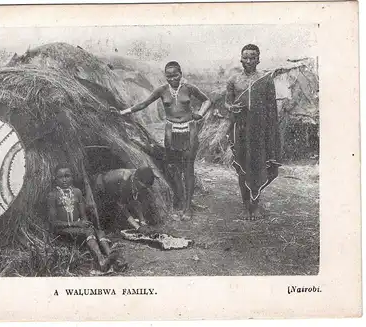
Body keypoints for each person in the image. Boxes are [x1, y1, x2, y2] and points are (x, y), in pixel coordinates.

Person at [120, 61, 212, 219]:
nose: (172, 79)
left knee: (188, 169)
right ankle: (181, 201)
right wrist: (123, 112)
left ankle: (188, 208)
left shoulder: (189, 88)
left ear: (181, 74)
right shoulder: (162, 90)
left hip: (189, 129)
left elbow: (207, 100)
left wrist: (200, 114)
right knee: (174, 168)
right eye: (168, 76)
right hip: (171, 131)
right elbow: (144, 103)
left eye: (175, 75)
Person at [225, 44, 282, 220]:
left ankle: (254, 202)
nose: (248, 61)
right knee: (243, 168)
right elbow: (227, 103)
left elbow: (272, 107)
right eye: (245, 57)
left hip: (260, 131)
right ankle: (247, 205)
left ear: (258, 59)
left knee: (262, 168)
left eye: (252, 57)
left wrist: (271, 132)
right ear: (240, 59)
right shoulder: (234, 80)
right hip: (241, 129)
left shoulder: (265, 79)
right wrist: (231, 107)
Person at [47, 164, 122, 272]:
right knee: (89, 231)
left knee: (99, 231)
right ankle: (101, 261)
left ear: (72, 177)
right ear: (55, 178)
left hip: (78, 229)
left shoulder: (77, 192)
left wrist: (86, 223)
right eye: (61, 177)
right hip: (62, 230)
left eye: (67, 176)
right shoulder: (52, 195)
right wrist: (75, 224)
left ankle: (112, 258)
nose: (64, 180)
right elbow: (53, 223)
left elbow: (83, 217)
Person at [93, 167, 158, 234]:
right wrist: (137, 226)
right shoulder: (124, 182)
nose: (143, 189)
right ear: (136, 180)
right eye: (143, 187)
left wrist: (142, 221)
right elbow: (121, 206)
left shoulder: (137, 176)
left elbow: (136, 201)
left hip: (113, 185)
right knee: (105, 221)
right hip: (101, 185)